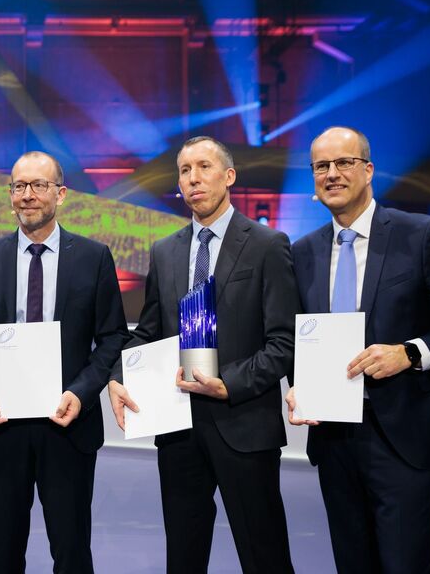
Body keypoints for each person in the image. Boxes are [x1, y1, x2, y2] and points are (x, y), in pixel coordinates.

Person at [108, 136, 298, 574]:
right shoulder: (165, 250)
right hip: (177, 429)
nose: (193, 178)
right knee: (184, 554)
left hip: (244, 424)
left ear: (228, 176)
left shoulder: (268, 244)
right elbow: (149, 333)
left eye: (204, 167)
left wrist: (227, 383)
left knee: (264, 553)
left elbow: (283, 343)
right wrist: (119, 374)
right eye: (185, 170)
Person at [286, 126, 430, 574]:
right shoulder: (302, 252)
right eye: (321, 166)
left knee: (404, 564)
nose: (332, 174)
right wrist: (295, 384)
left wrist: (412, 352)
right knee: (352, 563)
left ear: (368, 170)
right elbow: (297, 337)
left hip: (402, 436)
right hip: (333, 439)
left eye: (344, 163)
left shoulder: (420, 235)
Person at [0, 151, 129, 574]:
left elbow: (111, 339)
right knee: (2, 552)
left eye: (38, 186)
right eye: (19, 186)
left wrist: (82, 392)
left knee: (71, 551)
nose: (27, 195)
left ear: (61, 194)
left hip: (67, 424)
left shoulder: (93, 257)